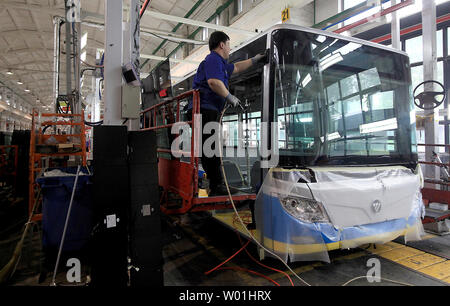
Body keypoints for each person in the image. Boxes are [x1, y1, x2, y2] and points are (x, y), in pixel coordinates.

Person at [187, 31, 267, 196]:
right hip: (204, 108)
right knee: (211, 149)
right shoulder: (212, 59)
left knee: (211, 148)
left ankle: (216, 185)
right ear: (222, 44)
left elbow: (237, 67)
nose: (230, 49)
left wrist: (255, 60)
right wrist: (230, 97)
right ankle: (217, 186)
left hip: (209, 109)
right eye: (229, 45)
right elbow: (213, 82)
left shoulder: (221, 64)